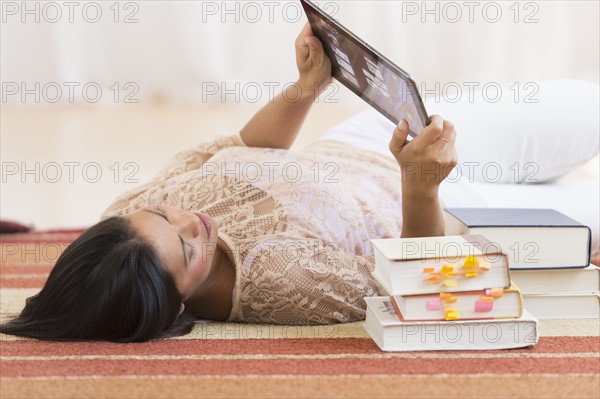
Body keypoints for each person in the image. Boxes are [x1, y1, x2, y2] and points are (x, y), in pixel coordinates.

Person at [2, 24, 596, 343]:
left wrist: (307, 86)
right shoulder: (287, 287)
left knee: (584, 106)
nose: (191, 221)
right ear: (175, 304)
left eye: (164, 215)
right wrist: (419, 185)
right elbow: (416, 288)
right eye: (187, 249)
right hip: (449, 208)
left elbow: (240, 150)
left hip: (368, 142)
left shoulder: (127, 219)